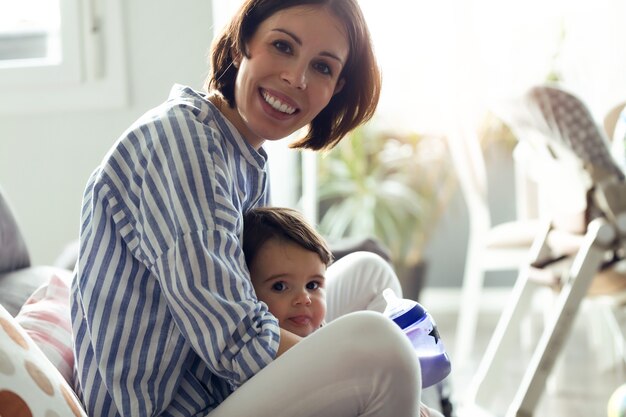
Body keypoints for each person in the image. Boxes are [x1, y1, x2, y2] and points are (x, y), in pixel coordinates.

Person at [70, 1, 437, 416]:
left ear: (335, 88)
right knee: (381, 350)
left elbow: (259, 299)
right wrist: (355, 364)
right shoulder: (184, 144)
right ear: (244, 40)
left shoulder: (241, 156)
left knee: (371, 275)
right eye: (282, 46)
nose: (295, 78)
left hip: (215, 389)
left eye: (322, 68)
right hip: (168, 409)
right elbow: (236, 339)